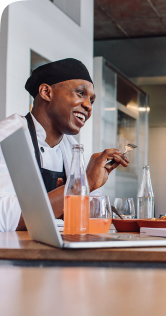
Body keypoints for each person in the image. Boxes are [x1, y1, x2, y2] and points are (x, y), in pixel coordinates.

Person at [0, 58, 129, 232]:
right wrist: (84, 183)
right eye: (80, 93)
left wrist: (91, 184)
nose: (88, 106)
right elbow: (8, 218)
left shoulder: (71, 147)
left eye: (92, 100)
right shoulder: (9, 136)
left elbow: (95, 217)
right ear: (46, 92)